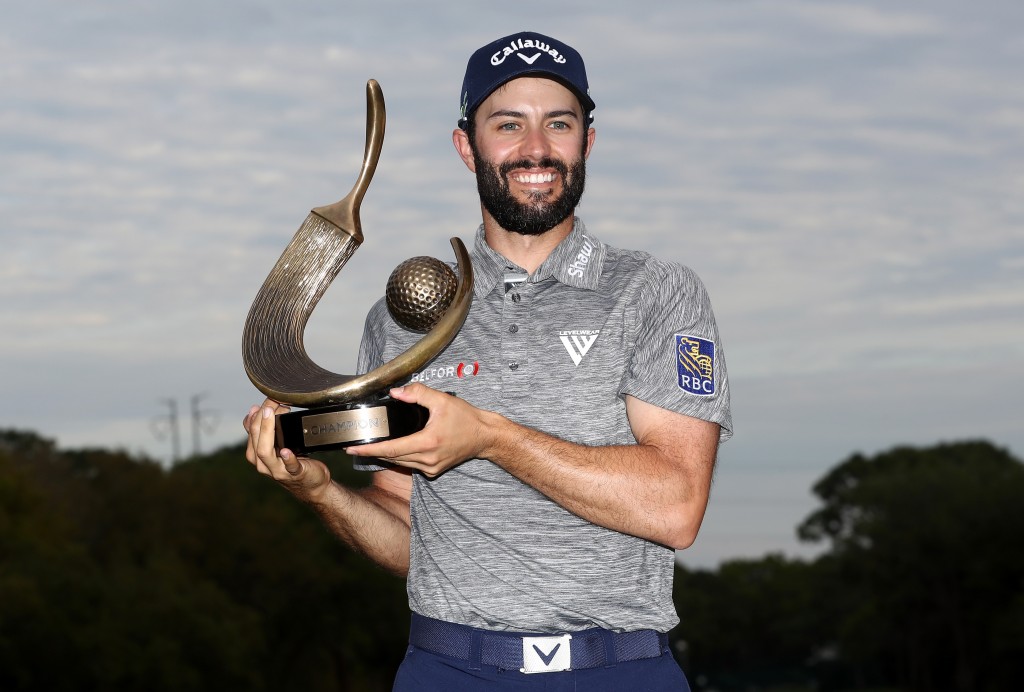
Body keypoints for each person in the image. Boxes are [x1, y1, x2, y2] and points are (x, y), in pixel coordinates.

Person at [244, 30, 732, 691]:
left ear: (587, 141)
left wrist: (491, 438)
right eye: (508, 125)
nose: (536, 149)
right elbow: (411, 532)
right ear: (466, 146)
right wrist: (321, 491)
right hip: (445, 670)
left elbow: (675, 508)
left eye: (558, 124)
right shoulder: (397, 325)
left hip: (618, 670)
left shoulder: (656, 293)